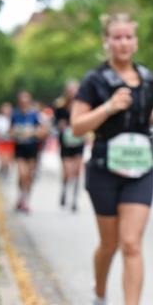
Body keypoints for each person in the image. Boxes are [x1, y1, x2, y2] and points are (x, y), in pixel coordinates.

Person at [70, 13, 153, 305]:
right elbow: (77, 126)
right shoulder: (94, 81)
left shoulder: (147, 79)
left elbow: (149, 111)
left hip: (140, 169)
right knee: (109, 244)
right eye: (117, 37)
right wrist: (109, 106)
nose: (123, 43)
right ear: (107, 41)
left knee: (131, 242)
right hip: (103, 168)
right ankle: (100, 294)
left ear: (136, 41)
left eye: (129, 37)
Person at [11, 91, 46, 213]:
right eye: (21, 102)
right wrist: (16, 132)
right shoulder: (15, 114)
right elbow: (10, 131)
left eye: (26, 102)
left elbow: (43, 131)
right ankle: (21, 195)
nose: (23, 104)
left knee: (29, 176)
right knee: (22, 174)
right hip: (20, 148)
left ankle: (25, 200)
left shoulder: (35, 115)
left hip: (32, 148)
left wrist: (32, 132)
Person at [54, 80, 85, 212]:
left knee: (77, 171)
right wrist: (61, 126)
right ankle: (65, 190)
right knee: (67, 171)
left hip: (79, 141)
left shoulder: (83, 105)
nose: (73, 92)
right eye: (71, 90)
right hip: (66, 142)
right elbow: (56, 122)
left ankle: (74, 200)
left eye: (75, 90)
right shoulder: (60, 106)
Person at [0, 102, 14, 178]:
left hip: (9, 141)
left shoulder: (13, 118)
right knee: (1, 157)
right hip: (0, 141)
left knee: (8, 158)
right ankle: (2, 169)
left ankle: (6, 170)